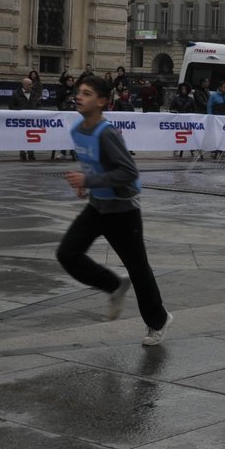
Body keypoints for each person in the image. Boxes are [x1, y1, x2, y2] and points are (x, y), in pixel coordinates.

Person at [56, 75, 172, 346]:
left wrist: (88, 180)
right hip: (97, 206)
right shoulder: (77, 131)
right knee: (67, 254)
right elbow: (94, 163)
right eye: (78, 92)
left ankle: (159, 321)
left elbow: (129, 172)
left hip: (123, 211)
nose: (79, 97)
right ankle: (113, 285)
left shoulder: (107, 133)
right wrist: (85, 184)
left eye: (86, 93)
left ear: (101, 102)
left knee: (139, 269)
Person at [9, 74, 40, 160]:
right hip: (21, 120)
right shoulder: (16, 94)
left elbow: (38, 105)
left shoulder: (34, 94)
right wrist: (20, 112)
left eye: (31, 84)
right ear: (24, 84)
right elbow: (11, 106)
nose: (31, 86)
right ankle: (22, 153)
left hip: (32, 119)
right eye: (29, 84)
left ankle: (31, 153)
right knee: (22, 136)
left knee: (31, 136)